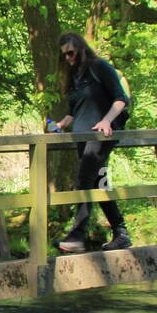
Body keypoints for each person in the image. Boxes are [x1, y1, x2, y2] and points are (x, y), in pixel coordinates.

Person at [51, 33, 132, 252]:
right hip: (82, 136)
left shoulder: (99, 67)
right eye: (64, 56)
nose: (68, 58)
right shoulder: (74, 77)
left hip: (100, 135)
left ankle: (77, 236)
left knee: (84, 181)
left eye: (71, 53)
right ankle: (121, 233)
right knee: (99, 183)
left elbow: (121, 99)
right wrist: (60, 125)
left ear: (80, 48)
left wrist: (106, 121)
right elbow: (73, 112)